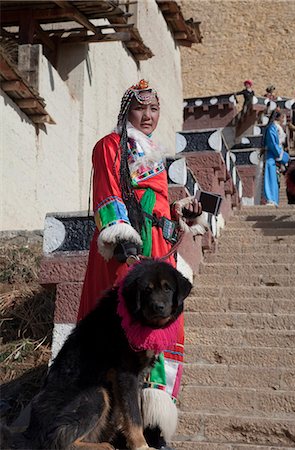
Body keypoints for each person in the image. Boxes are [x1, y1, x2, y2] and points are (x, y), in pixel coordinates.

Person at [77, 79, 204, 450]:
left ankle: (152, 422)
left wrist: (182, 211)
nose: (148, 116)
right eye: (140, 109)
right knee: (128, 333)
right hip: (128, 251)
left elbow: (157, 203)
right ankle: (119, 425)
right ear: (126, 111)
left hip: (160, 250)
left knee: (166, 331)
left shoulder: (153, 151)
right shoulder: (110, 145)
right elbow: (108, 194)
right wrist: (123, 241)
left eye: (154, 109)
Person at [263, 109, 290, 206]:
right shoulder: (272, 128)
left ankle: (274, 199)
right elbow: (272, 144)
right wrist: (282, 156)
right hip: (271, 156)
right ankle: (270, 198)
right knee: (270, 177)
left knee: (275, 179)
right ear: (280, 117)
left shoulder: (277, 127)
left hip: (276, 157)